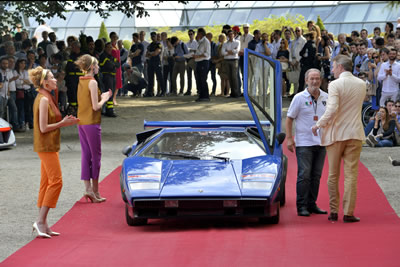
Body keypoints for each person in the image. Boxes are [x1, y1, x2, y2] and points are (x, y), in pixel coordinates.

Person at [312, 55, 366, 223]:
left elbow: (332, 109)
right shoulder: (362, 84)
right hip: (355, 133)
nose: (332, 69)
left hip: (336, 135)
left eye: (333, 66)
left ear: (341, 67)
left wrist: (318, 124)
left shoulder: (334, 84)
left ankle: (334, 211)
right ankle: (349, 213)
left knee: (333, 175)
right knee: (351, 175)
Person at [29, 66, 79, 238]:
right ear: (44, 82)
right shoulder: (43, 99)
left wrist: (65, 122)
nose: (56, 79)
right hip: (46, 145)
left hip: (48, 145)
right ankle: (41, 221)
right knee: (56, 181)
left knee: (47, 182)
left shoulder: (47, 96)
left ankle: (42, 222)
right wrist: (63, 124)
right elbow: (43, 128)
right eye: (52, 77)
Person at [286, 68, 328, 217]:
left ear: (321, 80)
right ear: (306, 80)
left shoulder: (326, 97)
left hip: (322, 142)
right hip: (304, 142)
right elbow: (290, 118)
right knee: (304, 174)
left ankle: (312, 203)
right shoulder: (299, 97)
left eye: (317, 78)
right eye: (312, 79)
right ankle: (302, 205)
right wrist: (290, 138)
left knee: (316, 175)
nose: (315, 81)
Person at [75, 55, 111, 203]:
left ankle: (88, 189)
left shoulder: (81, 80)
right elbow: (96, 106)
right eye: (96, 65)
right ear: (91, 67)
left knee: (86, 155)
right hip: (92, 122)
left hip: (81, 121)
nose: (98, 67)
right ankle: (95, 190)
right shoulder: (92, 82)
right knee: (96, 157)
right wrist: (105, 98)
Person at [193, 28, 211, 102]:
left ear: (201, 33)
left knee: (203, 79)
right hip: (199, 62)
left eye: (198, 33)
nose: (197, 34)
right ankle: (201, 95)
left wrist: (198, 56)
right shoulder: (200, 41)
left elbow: (207, 53)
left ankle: (205, 96)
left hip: (204, 61)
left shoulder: (206, 41)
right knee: (199, 79)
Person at [222, 30, 240, 98]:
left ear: (234, 35)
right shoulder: (225, 43)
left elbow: (237, 51)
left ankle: (236, 93)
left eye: (232, 34)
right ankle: (232, 93)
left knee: (234, 77)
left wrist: (228, 51)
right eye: (229, 34)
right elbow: (222, 52)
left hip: (234, 60)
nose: (230, 36)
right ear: (227, 35)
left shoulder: (237, 42)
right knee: (229, 77)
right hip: (227, 60)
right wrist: (232, 51)